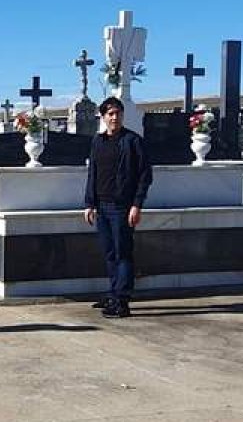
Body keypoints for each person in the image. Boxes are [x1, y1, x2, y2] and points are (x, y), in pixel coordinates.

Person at [83, 96, 152, 318]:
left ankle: (122, 300)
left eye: (118, 113)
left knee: (123, 253)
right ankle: (113, 293)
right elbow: (92, 173)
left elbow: (144, 175)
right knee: (110, 253)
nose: (115, 117)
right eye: (110, 114)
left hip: (122, 207)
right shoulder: (98, 141)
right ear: (103, 117)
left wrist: (137, 205)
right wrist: (89, 203)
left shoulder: (133, 141)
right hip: (102, 206)